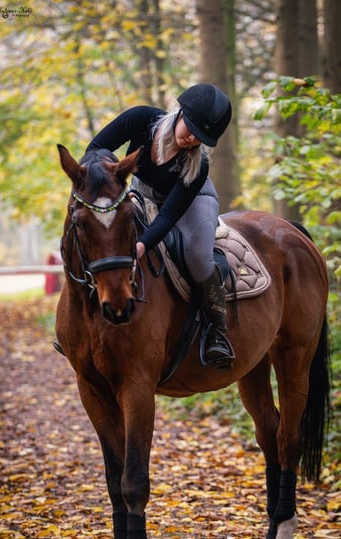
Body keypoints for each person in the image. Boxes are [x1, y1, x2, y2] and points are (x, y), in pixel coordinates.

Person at [86, 83, 234, 368]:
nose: (191, 138)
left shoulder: (197, 164)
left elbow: (167, 217)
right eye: (190, 128)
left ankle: (218, 331)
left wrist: (142, 245)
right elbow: (96, 148)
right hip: (141, 190)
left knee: (198, 258)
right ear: (180, 113)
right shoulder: (140, 119)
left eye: (200, 137)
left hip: (193, 200)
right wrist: (114, 180)